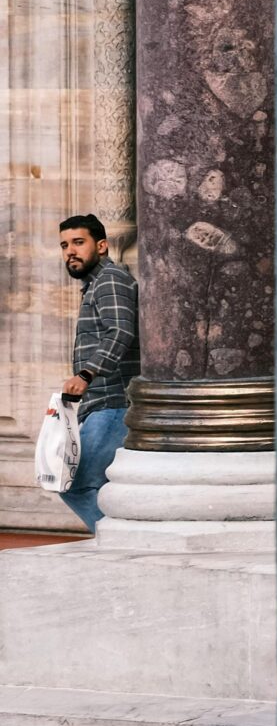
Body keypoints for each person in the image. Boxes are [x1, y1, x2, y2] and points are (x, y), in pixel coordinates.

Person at [54, 215, 137, 532]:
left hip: (113, 403)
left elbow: (120, 332)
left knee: (75, 483)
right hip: (102, 404)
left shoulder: (110, 280)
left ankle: (120, 545)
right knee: (97, 484)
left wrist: (86, 374)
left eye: (78, 242)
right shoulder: (96, 285)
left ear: (101, 246)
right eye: (64, 245)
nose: (70, 251)